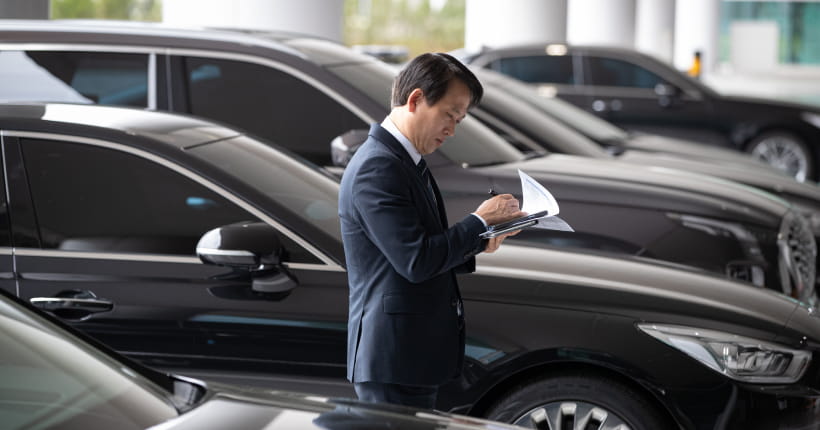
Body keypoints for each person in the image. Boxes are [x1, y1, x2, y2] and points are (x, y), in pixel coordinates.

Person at [338, 52, 525, 409]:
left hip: (408, 358)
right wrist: (480, 222)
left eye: (459, 119)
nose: (452, 130)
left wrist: (481, 243)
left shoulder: (403, 160)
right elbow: (416, 260)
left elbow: (419, 250)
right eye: (449, 115)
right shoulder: (377, 167)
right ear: (416, 99)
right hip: (392, 361)